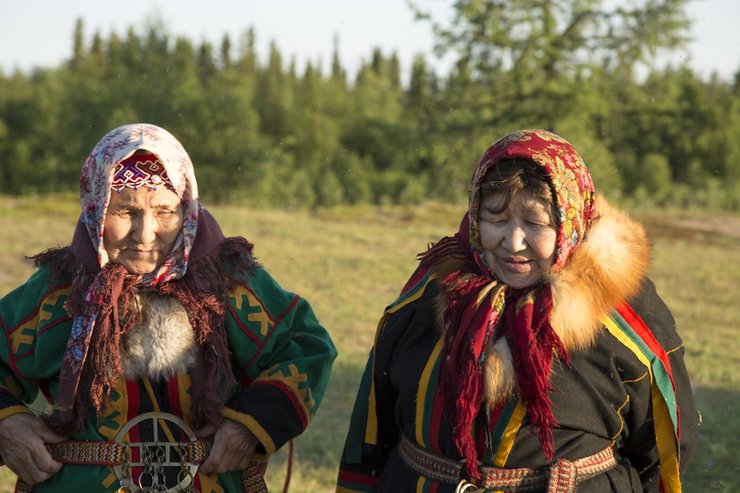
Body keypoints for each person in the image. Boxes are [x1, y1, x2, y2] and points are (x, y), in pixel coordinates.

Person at [336, 129, 698, 493]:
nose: (513, 241)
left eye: (536, 223)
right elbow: (371, 434)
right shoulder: (428, 297)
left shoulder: (623, 318)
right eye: (496, 218)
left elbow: (661, 451)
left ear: (570, 221)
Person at [0, 123, 337, 493]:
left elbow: (304, 346)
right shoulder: (61, 290)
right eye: (125, 211)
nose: (145, 233)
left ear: (188, 208)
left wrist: (250, 425)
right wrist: (7, 424)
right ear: (95, 207)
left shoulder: (226, 282)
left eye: (164, 211)